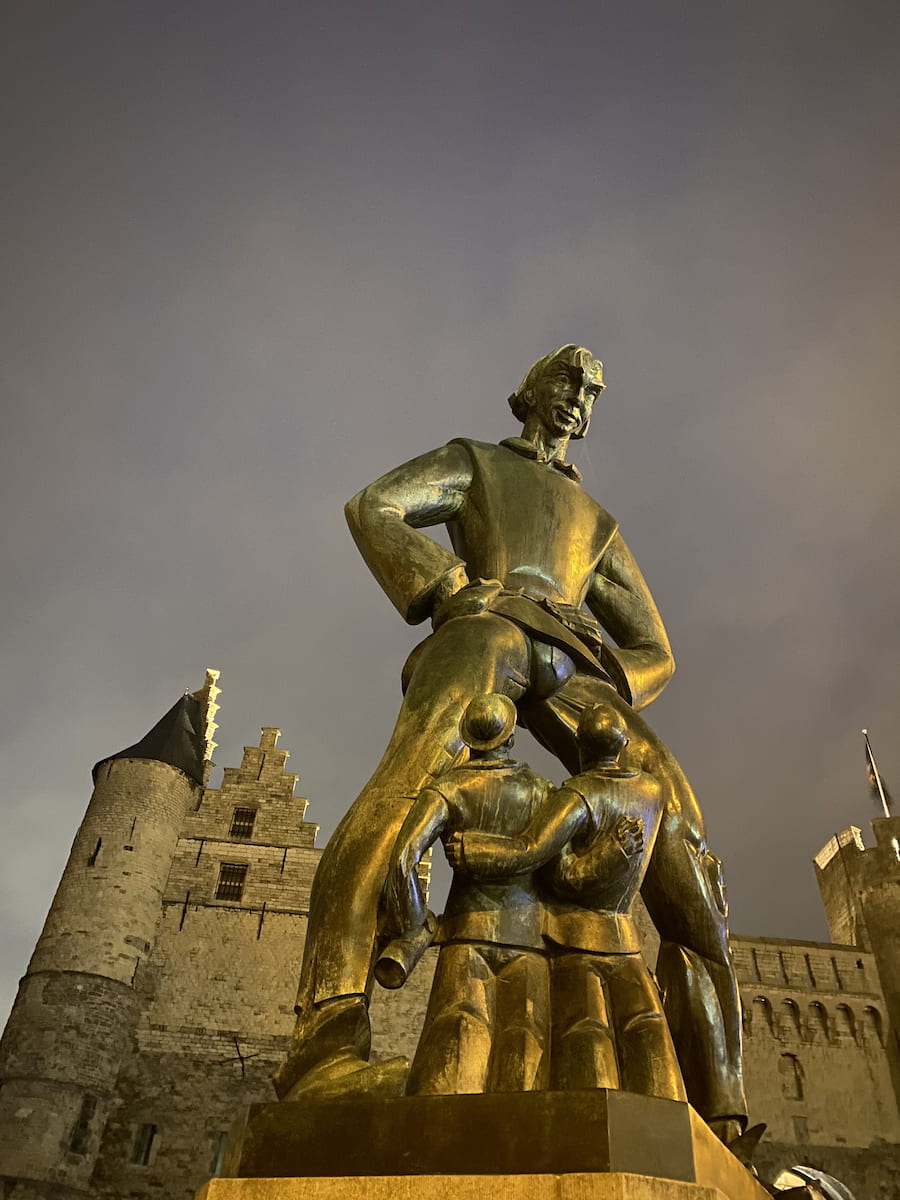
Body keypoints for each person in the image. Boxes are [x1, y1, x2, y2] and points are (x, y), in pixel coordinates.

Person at [274, 345, 746, 1140]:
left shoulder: (597, 523)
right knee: (406, 784)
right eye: (565, 382)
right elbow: (374, 507)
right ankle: (325, 1036)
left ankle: (719, 1100)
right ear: (528, 391)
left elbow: (658, 650)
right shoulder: (476, 462)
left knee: (683, 832)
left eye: (591, 392)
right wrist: (454, 587)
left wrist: (608, 675)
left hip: (577, 667)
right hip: (490, 625)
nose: (577, 400)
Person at [382, 696, 687, 1104]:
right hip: (530, 939)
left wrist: (414, 925)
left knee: (455, 1032)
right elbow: (557, 872)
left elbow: (404, 859)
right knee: (526, 1045)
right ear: (511, 737)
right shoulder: (546, 792)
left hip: (468, 932)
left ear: (470, 740)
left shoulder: (450, 789)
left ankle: (436, 1148)